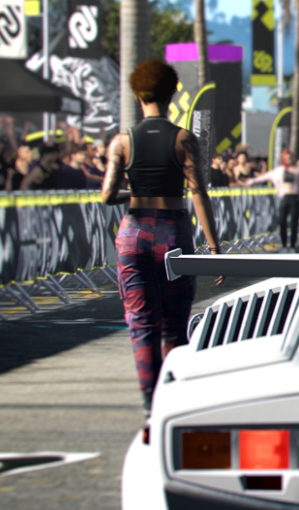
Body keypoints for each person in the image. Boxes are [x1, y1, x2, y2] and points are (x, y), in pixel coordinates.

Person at [100, 59, 224, 415]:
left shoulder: (122, 143)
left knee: (142, 325)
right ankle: (173, 403)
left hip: (133, 234)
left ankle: (149, 406)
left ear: (138, 95)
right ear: (172, 95)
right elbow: (198, 192)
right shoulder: (184, 139)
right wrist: (214, 248)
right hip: (173, 232)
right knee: (174, 326)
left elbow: (107, 195)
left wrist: (134, 194)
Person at [245, 149, 299, 253]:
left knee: (294, 223)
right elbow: (265, 177)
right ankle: (284, 245)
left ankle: (292, 245)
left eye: (290, 158)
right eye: (286, 158)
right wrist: (251, 181)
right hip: (284, 198)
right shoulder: (279, 170)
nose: (288, 160)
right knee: (282, 221)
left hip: (295, 198)